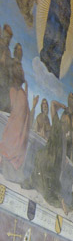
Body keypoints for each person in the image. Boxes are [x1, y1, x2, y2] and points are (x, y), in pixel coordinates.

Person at [0, 43, 30, 174]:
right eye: (18, 49)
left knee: (21, 123)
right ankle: (7, 153)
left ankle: (14, 155)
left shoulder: (20, 65)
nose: (20, 52)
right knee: (14, 122)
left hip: (19, 92)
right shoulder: (12, 62)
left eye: (21, 50)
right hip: (13, 90)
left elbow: (22, 79)